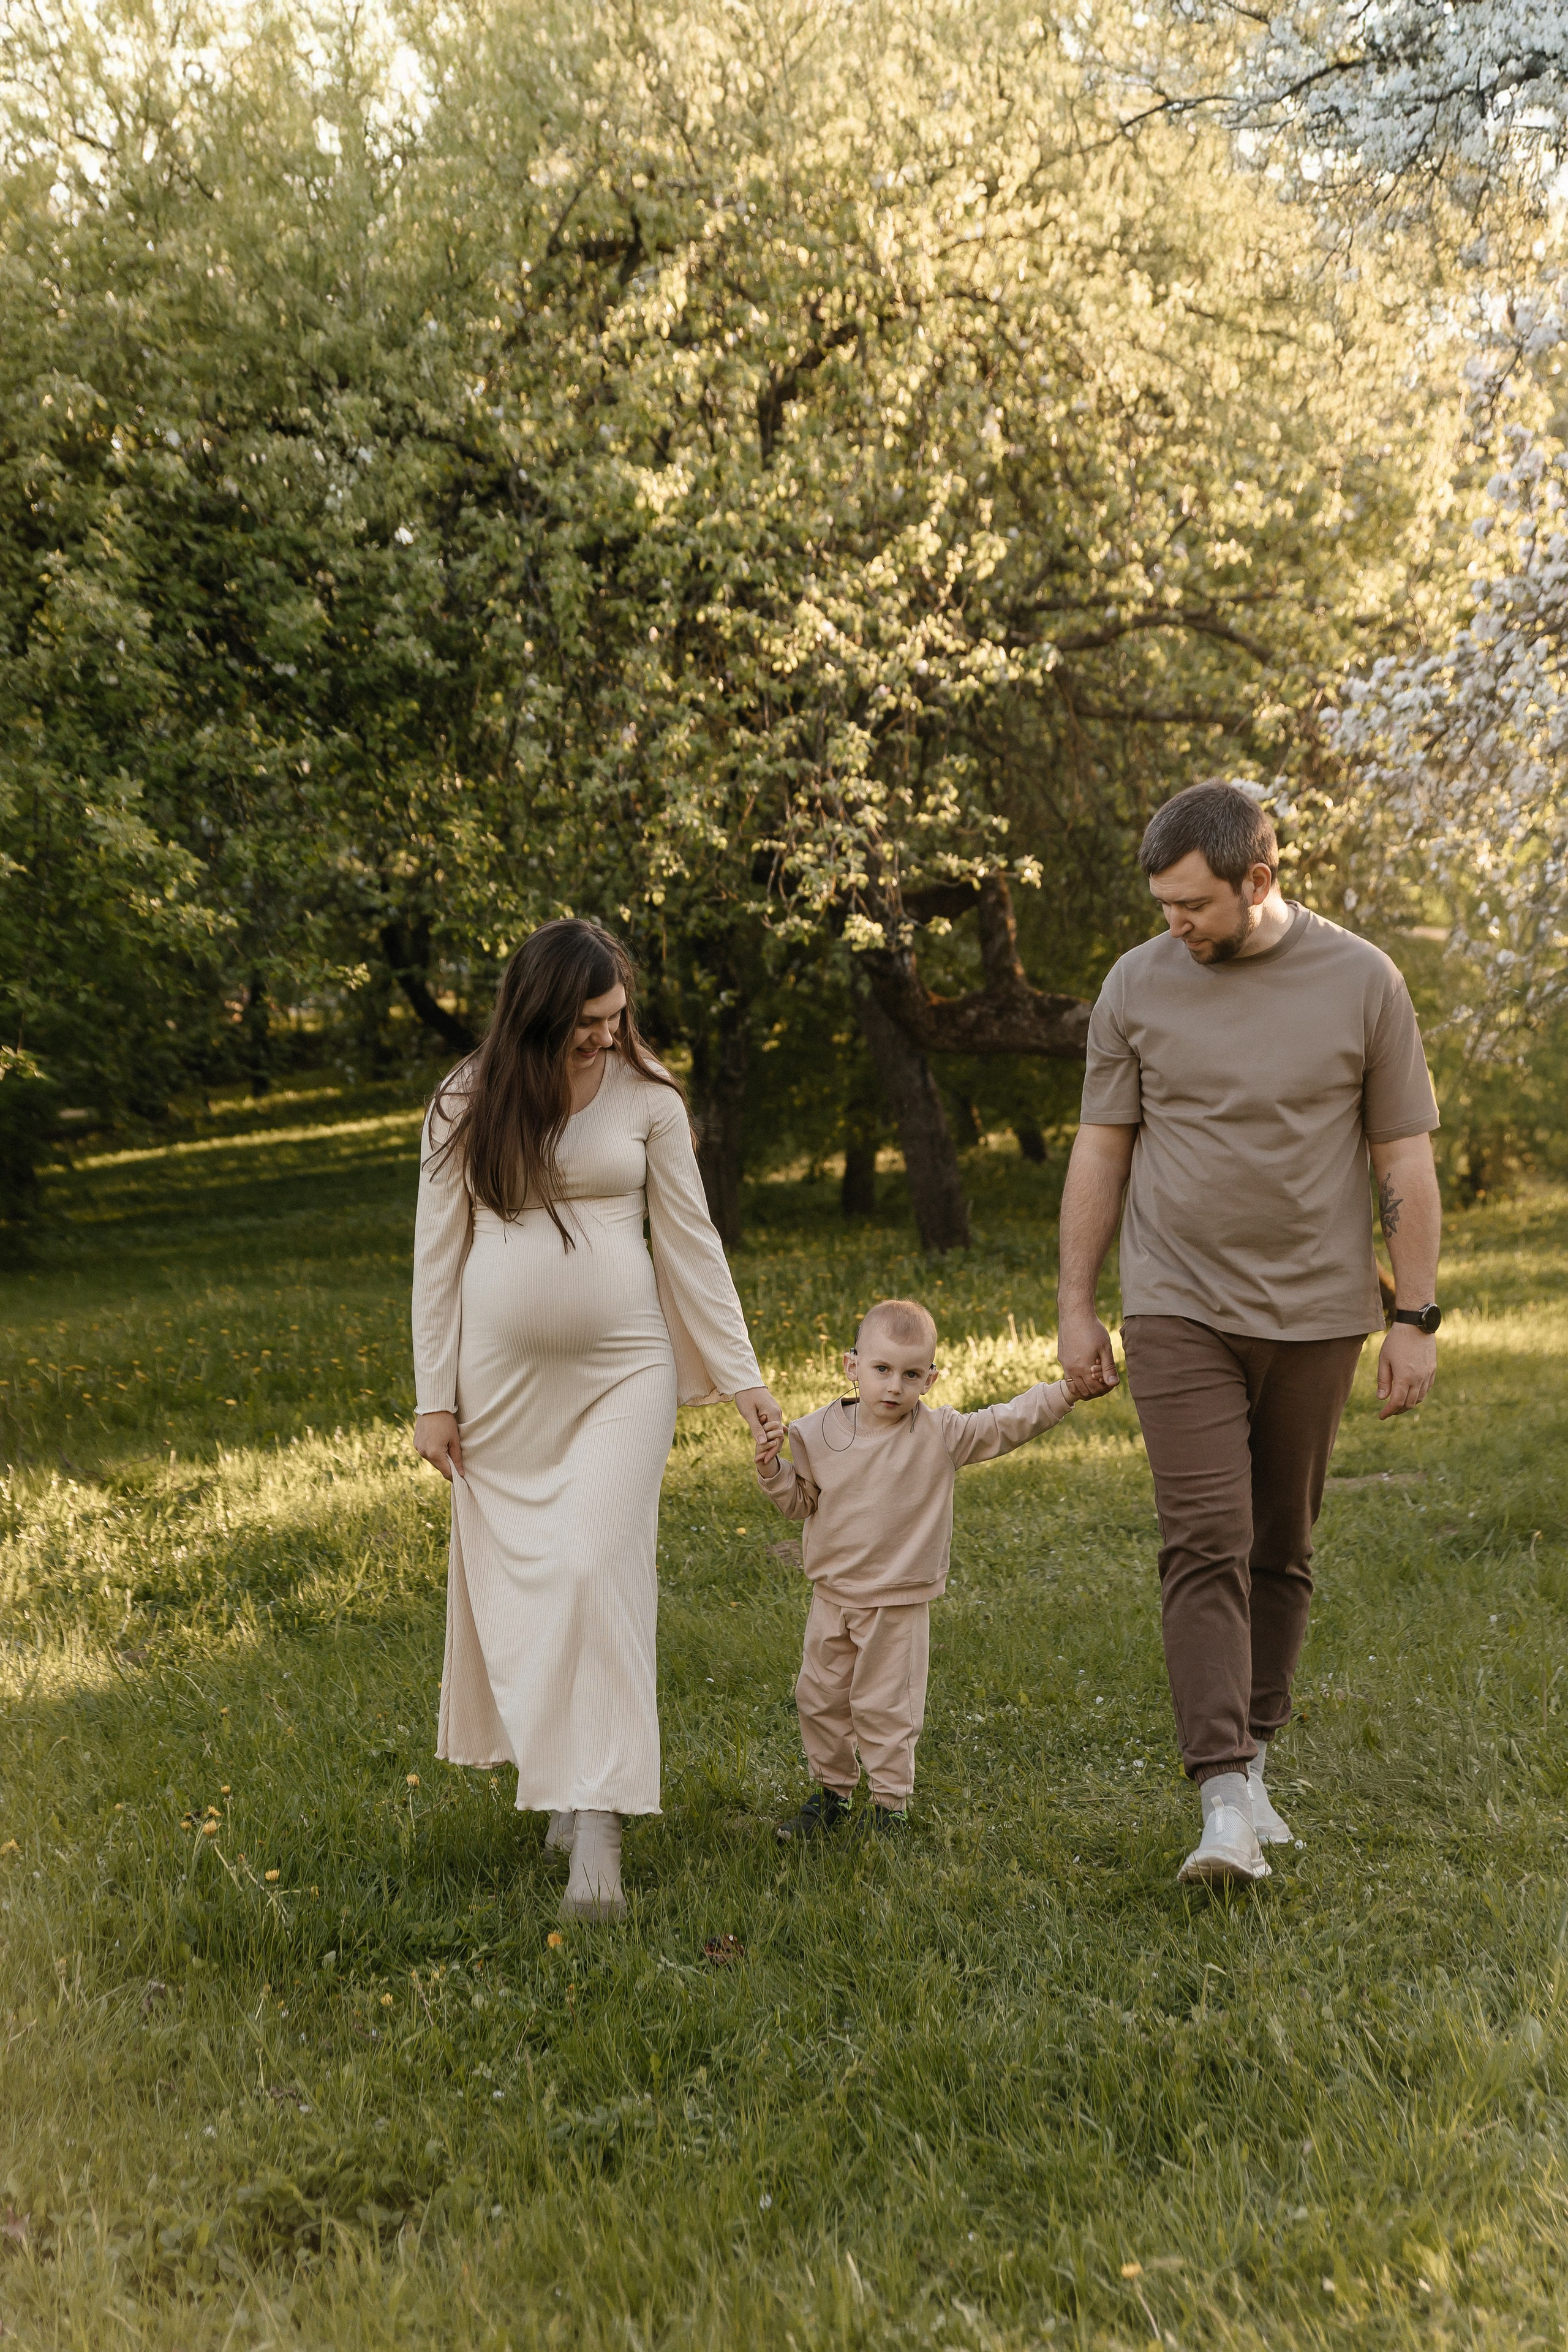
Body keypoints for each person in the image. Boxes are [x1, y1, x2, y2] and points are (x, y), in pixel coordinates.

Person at [1056, 782, 1441, 1885]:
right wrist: (1079, 1305)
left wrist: (1413, 1317)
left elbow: (1402, 1159)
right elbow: (1102, 1150)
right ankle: (1222, 1796)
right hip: (1178, 1302)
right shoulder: (1136, 982)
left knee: (1283, 1543)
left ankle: (1258, 1760)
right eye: (1163, 904)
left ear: (1257, 880)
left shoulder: (1363, 980)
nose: (1174, 925)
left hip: (1321, 1313)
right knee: (1204, 1537)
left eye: (1193, 905)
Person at [411, 919, 778, 1923]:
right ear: (536, 1014)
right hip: (500, 1391)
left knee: (591, 1569)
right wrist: (432, 1397)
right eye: (584, 1024)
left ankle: (602, 1830)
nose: (604, 1039)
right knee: (528, 1590)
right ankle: (566, 1784)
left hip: (627, 1370)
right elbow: (435, 1254)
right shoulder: (464, 1098)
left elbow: (692, 1243)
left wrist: (744, 1381)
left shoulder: (649, 1099)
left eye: (616, 1019)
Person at [755, 1297, 1103, 1838]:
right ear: (852, 1367)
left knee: (884, 1705)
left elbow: (1007, 1422)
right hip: (832, 1596)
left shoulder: (939, 1434)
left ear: (931, 1378)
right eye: (882, 1370)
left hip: (896, 1600)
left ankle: (890, 1804)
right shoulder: (815, 1433)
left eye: (911, 1374)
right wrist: (774, 1470)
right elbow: (800, 1503)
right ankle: (832, 1793)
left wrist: (1067, 1392)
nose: (894, 1386)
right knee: (819, 1697)